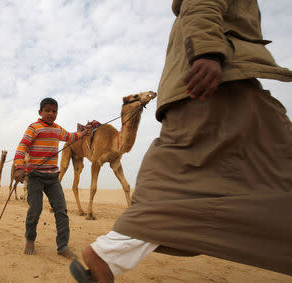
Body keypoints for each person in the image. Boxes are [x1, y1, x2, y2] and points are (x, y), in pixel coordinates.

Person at [70, 1, 292, 282]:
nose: (139, 100)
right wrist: (208, 51)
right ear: (125, 104)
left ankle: (111, 253)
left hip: (209, 78)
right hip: (216, 75)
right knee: (275, 163)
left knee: (181, 173)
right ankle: (109, 248)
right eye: (132, 99)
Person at [13, 97, 91, 259]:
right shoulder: (34, 128)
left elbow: (70, 137)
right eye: (47, 110)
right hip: (35, 176)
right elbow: (22, 147)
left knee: (61, 210)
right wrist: (19, 167)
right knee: (35, 209)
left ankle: (62, 246)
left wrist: (83, 133)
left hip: (53, 178)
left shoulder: (57, 129)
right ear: (40, 112)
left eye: (54, 111)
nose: (51, 113)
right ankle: (30, 239)